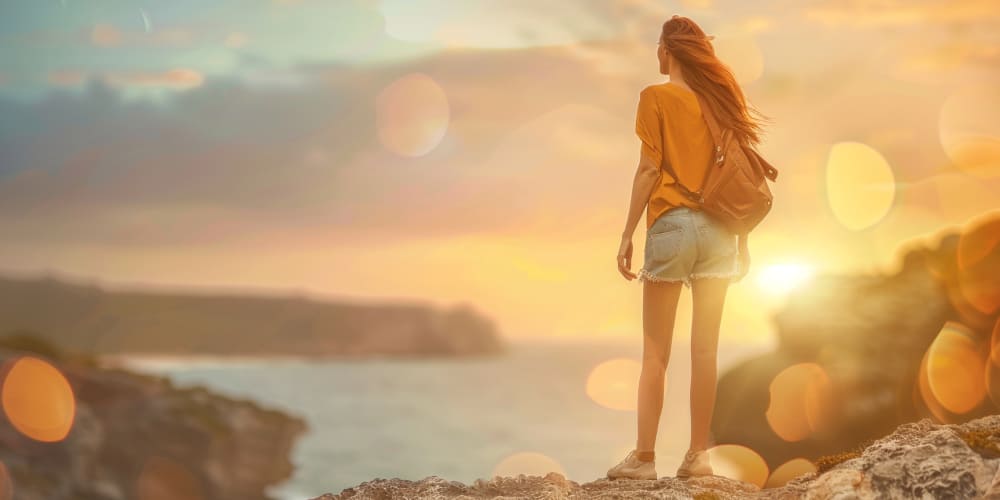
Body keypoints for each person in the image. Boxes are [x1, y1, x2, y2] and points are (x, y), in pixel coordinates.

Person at [607, 15, 770, 480]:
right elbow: (739, 175)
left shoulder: (655, 97)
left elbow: (648, 171)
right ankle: (698, 457)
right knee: (706, 352)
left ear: (668, 50)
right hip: (721, 231)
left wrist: (627, 233)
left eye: (659, 46)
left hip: (673, 227)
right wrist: (742, 241)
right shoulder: (721, 103)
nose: (656, 54)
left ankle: (643, 460)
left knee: (656, 354)